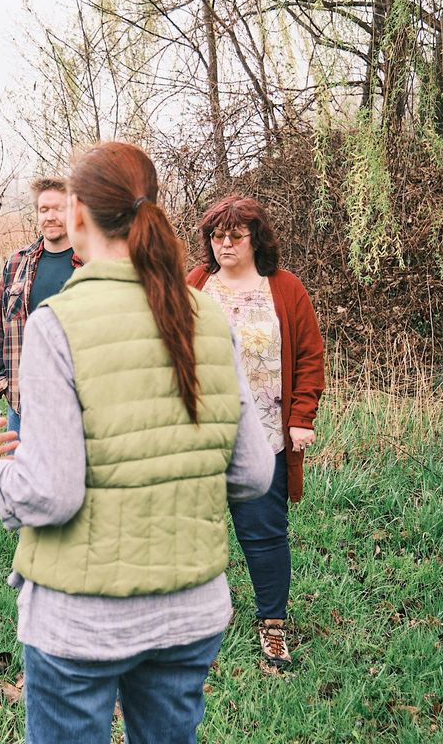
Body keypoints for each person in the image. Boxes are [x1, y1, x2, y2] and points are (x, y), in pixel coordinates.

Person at [0, 142, 273, 744]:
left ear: (77, 212)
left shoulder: (57, 323)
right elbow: (254, 474)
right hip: (190, 611)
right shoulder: (207, 316)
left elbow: (49, 495)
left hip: (82, 620)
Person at [187, 195, 324, 671]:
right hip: (199, 434)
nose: (224, 244)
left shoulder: (285, 289)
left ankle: (272, 626)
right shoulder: (196, 284)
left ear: (255, 239)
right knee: (192, 527)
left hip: (264, 435)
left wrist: (301, 417)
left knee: (264, 533)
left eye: (234, 236)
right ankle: (194, 616)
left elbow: (309, 358)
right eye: (216, 236)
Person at [0, 177, 81, 435]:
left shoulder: (90, 263)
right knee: (21, 471)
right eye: (44, 209)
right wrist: (1, 380)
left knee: (68, 473)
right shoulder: (17, 263)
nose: (50, 216)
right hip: (23, 397)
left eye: (58, 209)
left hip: (76, 397)